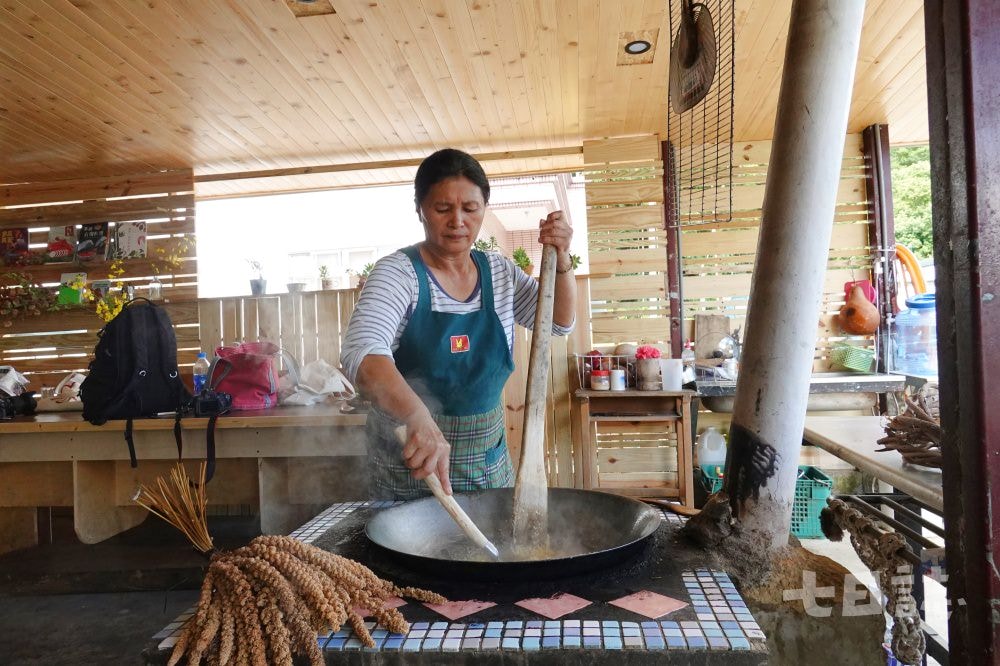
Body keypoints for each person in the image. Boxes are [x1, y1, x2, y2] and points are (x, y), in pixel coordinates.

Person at [340, 148, 576, 500]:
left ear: (483, 209)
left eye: (470, 208)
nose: (457, 221)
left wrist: (562, 261)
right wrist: (418, 416)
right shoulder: (398, 273)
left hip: (487, 467)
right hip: (412, 471)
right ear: (420, 209)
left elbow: (557, 322)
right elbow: (362, 355)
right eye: (442, 208)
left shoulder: (499, 273)